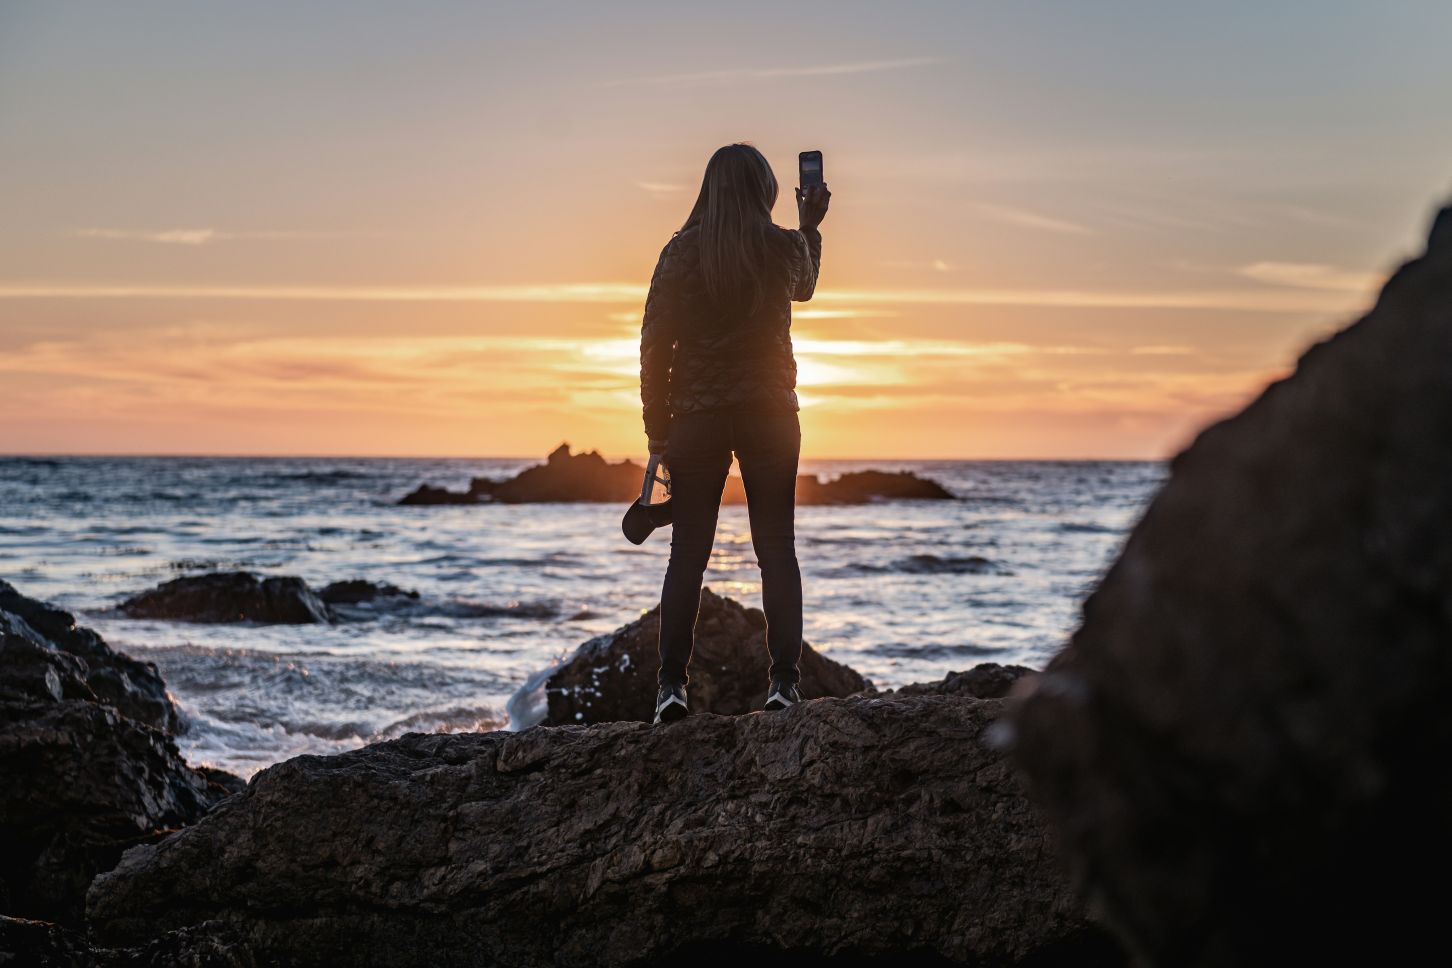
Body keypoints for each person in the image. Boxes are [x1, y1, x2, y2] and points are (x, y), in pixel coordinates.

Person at [638, 142, 831, 725]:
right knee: (776, 550)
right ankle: (784, 687)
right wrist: (810, 225)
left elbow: (653, 347)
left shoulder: (678, 254)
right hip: (771, 414)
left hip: (696, 417)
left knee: (687, 556)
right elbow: (807, 285)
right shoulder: (782, 247)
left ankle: (671, 689)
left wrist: (657, 433)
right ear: (763, 191)